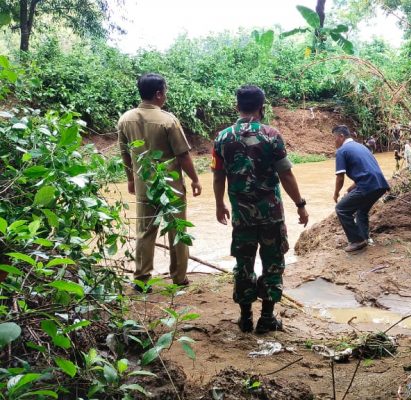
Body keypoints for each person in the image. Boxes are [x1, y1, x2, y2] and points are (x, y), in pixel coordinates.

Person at [212, 85, 309, 334]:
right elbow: (285, 174)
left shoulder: (222, 137)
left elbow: (218, 175)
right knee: (273, 263)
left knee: (243, 265)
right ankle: (266, 318)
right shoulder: (271, 135)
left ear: (237, 106)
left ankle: (245, 318)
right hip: (271, 216)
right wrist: (300, 205)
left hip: (241, 217)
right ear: (262, 107)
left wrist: (219, 203)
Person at [118, 73, 202, 290]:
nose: (165, 95)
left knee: (145, 232)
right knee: (177, 230)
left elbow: (125, 155)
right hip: (170, 187)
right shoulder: (168, 120)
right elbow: (182, 155)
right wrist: (194, 179)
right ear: (158, 94)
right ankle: (179, 278)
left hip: (144, 187)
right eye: (165, 91)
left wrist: (130, 180)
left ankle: (141, 279)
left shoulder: (125, 119)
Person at [333, 125, 390, 252]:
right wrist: (351, 188)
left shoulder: (342, 151)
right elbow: (367, 170)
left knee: (341, 209)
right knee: (362, 210)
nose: (334, 142)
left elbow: (340, 177)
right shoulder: (361, 146)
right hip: (381, 184)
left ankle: (357, 240)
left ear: (341, 136)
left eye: (335, 138)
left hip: (367, 185)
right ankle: (364, 238)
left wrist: (336, 194)